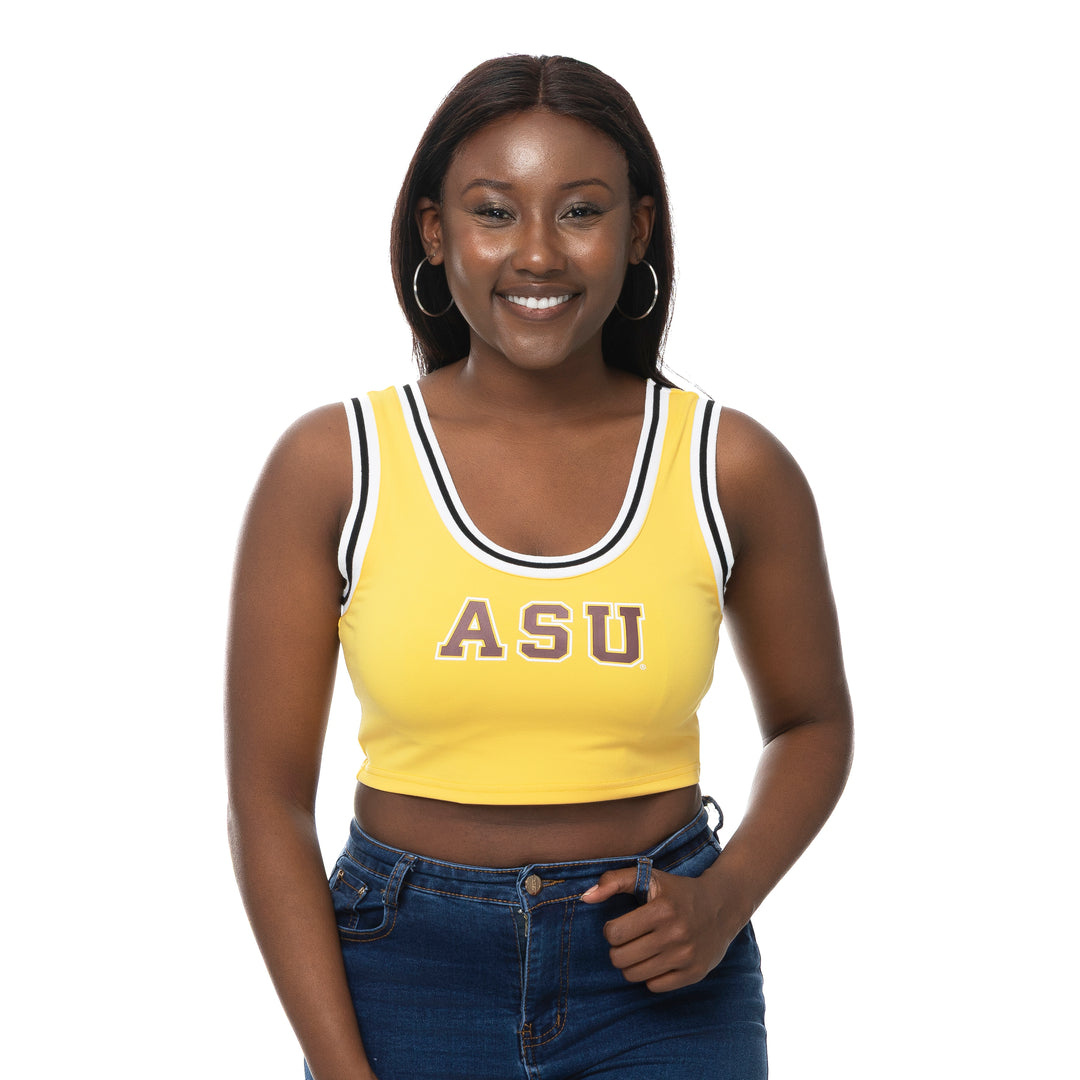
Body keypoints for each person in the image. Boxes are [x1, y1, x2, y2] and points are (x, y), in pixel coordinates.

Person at [226, 54, 853, 1080]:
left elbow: (814, 723)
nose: (536, 255)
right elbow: (266, 799)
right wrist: (341, 1068)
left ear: (637, 231)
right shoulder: (335, 464)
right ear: (436, 233)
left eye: (579, 212)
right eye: (493, 211)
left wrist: (727, 894)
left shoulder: (729, 465)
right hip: (401, 971)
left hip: (660, 975)